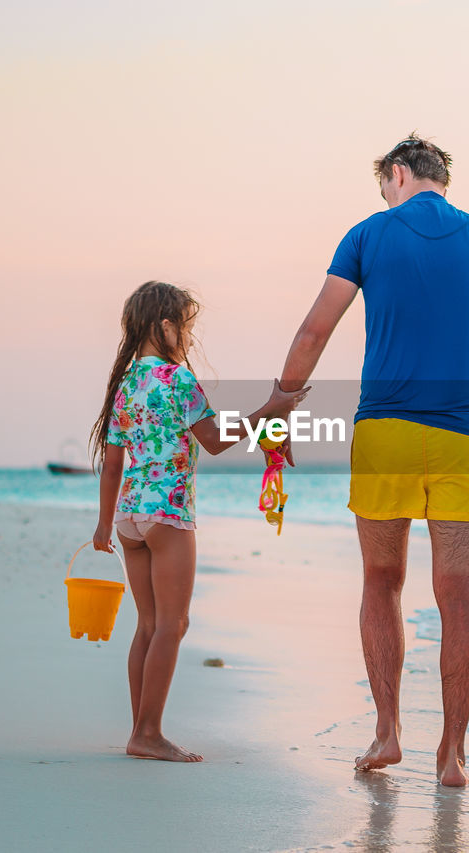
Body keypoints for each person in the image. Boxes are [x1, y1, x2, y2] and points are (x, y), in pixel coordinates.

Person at [275, 135, 469, 786]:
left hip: (386, 432)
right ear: (440, 179)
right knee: (459, 595)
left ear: (398, 175)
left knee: (380, 581)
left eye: (386, 188)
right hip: (462, 437)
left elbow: (315, 330)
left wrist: (280, 406)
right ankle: (452, 753)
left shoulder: (367, 236)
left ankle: (388, 729)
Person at [89, 281, 307, 762]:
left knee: (147, 624)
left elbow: (112, 462)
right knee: (174, 623)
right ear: (165, 327)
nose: (188, 339)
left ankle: (139, 730)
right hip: (169, 513)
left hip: (129, 517)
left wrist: (104, 526)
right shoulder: (177, 380)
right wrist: (271, 410)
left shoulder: (125, 385)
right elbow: (214, 439)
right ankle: (148, 734)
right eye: (185, 329)